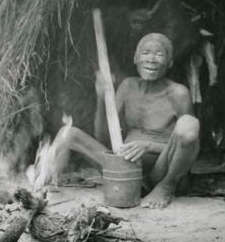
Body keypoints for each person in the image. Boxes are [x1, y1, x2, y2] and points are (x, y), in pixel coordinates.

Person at [53, 32, 200, 208]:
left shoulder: (178, 93)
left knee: (189, 124)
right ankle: (43, 183)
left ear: (170, 63)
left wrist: (148, 146)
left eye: (159, 54)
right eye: (145, 53)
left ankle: (166, 187)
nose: (151, 59)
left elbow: (190, 142)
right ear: (135, 58)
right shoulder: (127, 86)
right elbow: (103, 137)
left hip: (158, 171)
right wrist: (101, 98)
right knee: (67, 134)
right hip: (122, 168)